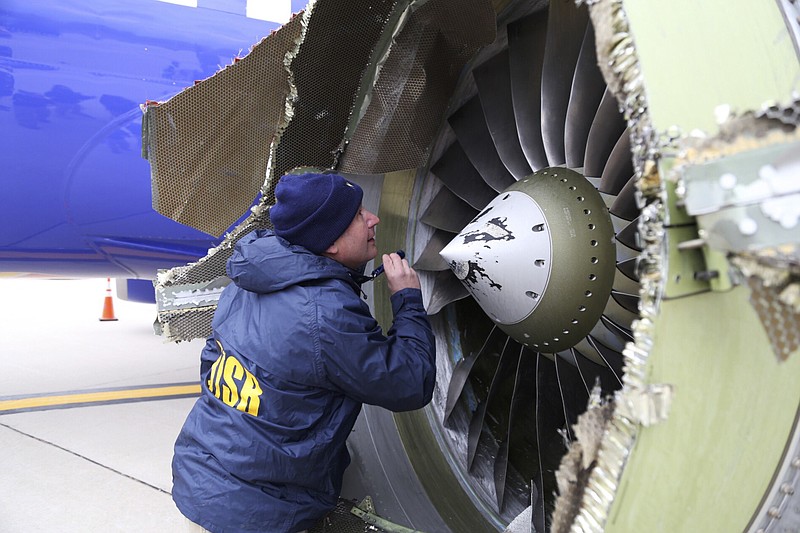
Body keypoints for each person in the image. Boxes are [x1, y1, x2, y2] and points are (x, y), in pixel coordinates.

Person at [171, 171, 436, 533]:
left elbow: (212, 361)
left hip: (202, 479)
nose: (373, 218)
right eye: (358, 215)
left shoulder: (251, 277)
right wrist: (406, 300)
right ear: (329, 243)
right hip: (257, 515)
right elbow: (410, 382)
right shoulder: (326, 314)